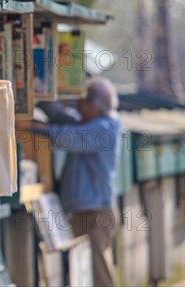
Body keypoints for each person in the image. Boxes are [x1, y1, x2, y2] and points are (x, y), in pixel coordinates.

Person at [37, 77, 121, 287]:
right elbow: (61, 118)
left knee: (97, 269)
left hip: (96, 211)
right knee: (83, 268)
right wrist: (38, 92)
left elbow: (68, 137)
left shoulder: (103, 129)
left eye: (82, 101)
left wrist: (32, 129)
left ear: (95, 106)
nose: (78, 105)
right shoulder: (91, 123)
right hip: (87, 210)